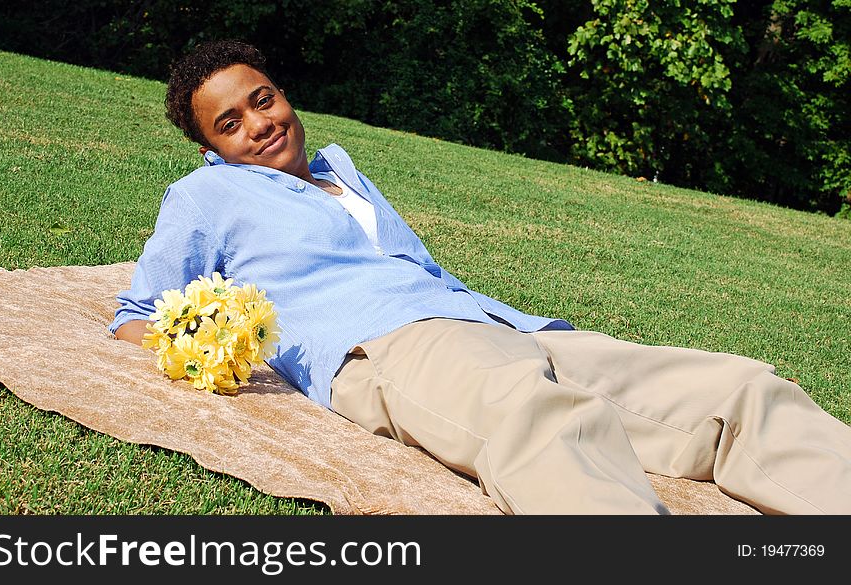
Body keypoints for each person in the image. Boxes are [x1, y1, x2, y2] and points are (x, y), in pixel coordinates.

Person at [111, 39, 851, 515]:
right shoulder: (206, 195)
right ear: (211, 149)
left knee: (735, 389)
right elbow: (138, 311)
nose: (258, 123)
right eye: (229, 123)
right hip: (389, 344)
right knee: (541, 423)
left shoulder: (341, 169)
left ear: (282, 92)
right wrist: (211, 342)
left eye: (261, 98)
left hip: (498, 323)